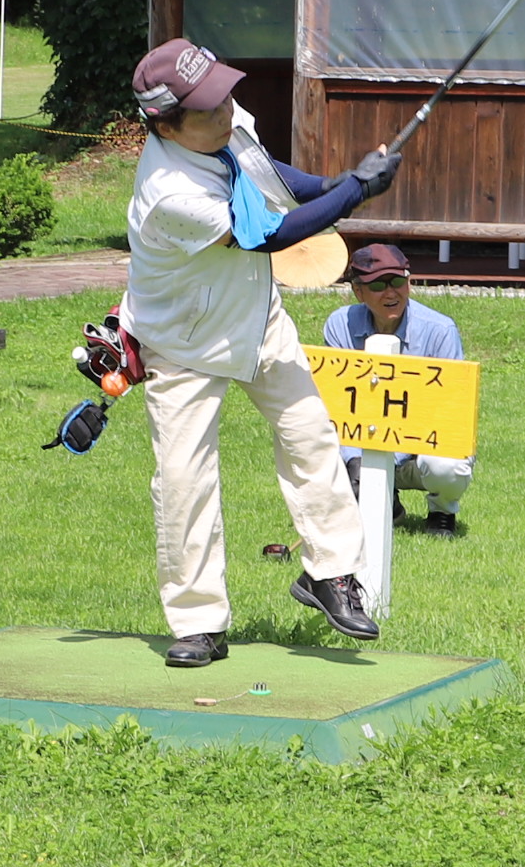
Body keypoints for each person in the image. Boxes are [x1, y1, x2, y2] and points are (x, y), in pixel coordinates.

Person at [121, 35, 400, 668]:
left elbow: (268, 177)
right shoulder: (170, 192)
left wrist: (334, 182)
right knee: (186, 481)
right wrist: (354, 193)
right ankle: (199, 622)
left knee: (311, 435)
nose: (228, 111)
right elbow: (267, 234)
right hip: (184, 340)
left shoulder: (220, 119)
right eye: (209, 107)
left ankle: (330, 574)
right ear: (165, 123)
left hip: (256, 315)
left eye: (224, 95)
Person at [318, 240, 475, 534]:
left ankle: (442, 512)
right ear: (358, 291)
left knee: (448, 466)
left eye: (398, 281)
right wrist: (354, 461)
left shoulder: (440, 331)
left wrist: (386, 457)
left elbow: (448, 413)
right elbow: (335, 405)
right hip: (360, 447)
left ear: (409, 282)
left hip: (421, 448)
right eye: (378, 285)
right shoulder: (339, 325)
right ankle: (387, 505)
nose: (391, 292)